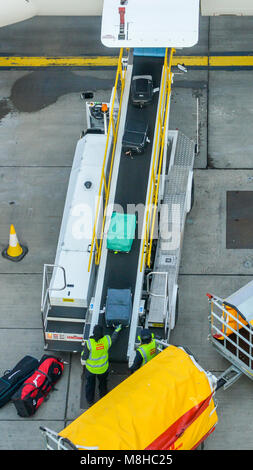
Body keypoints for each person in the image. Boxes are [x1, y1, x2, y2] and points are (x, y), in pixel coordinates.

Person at [81, 323, 122, 406]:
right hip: (103, 369)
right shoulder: (106, 340)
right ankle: (103, 398)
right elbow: (113, 338)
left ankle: (90, 401)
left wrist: (82, 353)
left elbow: (84, 357)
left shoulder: (89, 343)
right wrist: (117, 330)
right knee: (103, 384)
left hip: (91, 369)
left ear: (93, 332)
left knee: (90, 385)